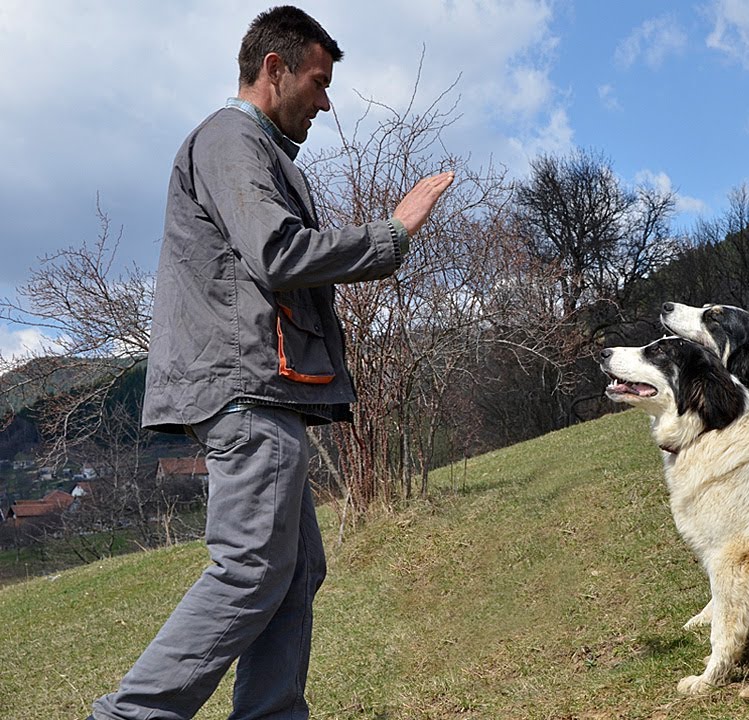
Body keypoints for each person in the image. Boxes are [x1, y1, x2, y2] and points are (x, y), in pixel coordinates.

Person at [90, 7, 453, 719]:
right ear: (274, 68)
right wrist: (393, 234)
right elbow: (278, 251)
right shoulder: (231, 139)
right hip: (246, 390)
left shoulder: (256, 152)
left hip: (261, 390)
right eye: (318, 82)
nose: (325, 100)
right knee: (254, 567)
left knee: (294, 571)